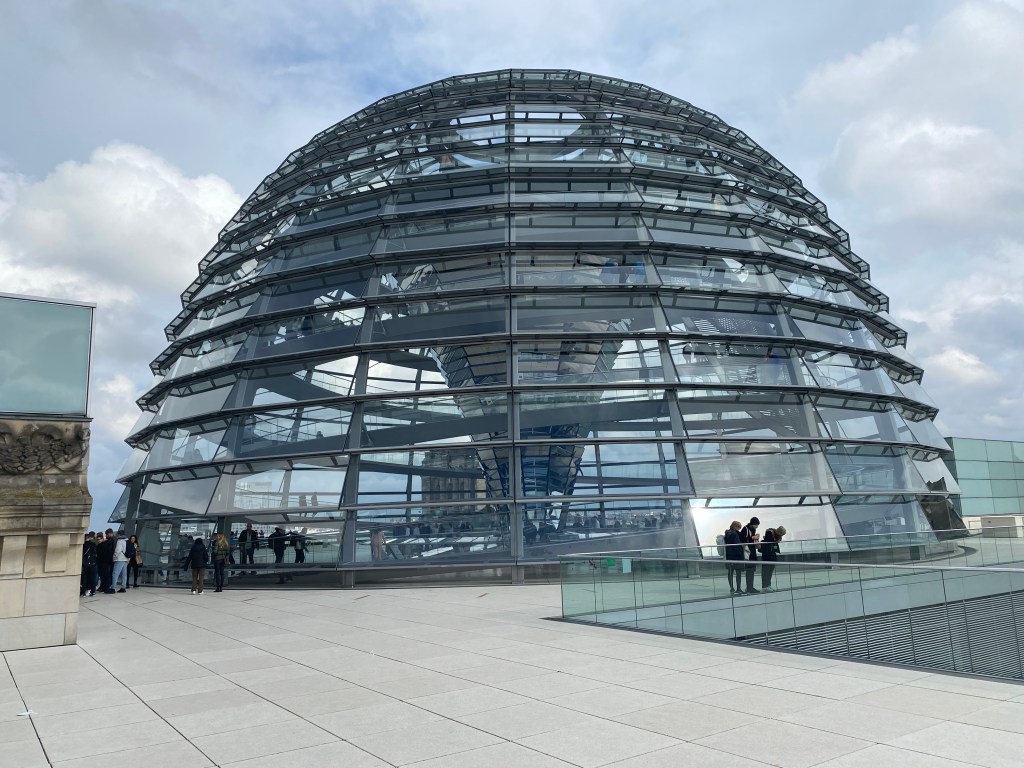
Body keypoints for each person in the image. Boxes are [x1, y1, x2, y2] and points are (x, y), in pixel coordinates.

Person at [760, 526, 786, 592]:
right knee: (766, 571)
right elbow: (767, 543)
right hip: (767, 555)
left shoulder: (775, 535)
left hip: (771, 555)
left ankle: (768, 585)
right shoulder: (770, 533)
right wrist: (774, 540)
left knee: (770, 572)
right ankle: (765, 586)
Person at [740, 517, 761, 594]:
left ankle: (750, 587)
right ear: (752, 524)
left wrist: (755, 538)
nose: (757, 527)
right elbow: (743, 539)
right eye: (756, 525)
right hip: (748, 553)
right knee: (749, 570)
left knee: (751, 570)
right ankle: (749, 588)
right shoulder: (745, 529)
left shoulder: (752, 530)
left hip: (752, 552)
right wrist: (752, 537)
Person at [724, 521, 745, 594]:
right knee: (738, 572)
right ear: (736, 527)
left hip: (729, 556)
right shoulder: (734, 534)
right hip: (736, 555)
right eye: (739, 528)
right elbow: (736, 545)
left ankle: (732, 588)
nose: (739, 529)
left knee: (730, 572)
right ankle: (738, 588)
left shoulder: (728, 533)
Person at [97, 529, 116, 594]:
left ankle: (104, 588)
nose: (106, 535)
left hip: (105, 561)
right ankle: (105, 588)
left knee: (105, 575)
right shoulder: (111, 542)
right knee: (107, 575)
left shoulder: (107, 543)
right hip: (108, 561)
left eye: (106, 534)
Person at [80, 532, 97, 597]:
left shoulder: (83, 545)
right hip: (92, 562)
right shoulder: (93, 544)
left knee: (84, 578)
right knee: (92, 578)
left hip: (84, 563)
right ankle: (93, 591)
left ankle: (83, 592)